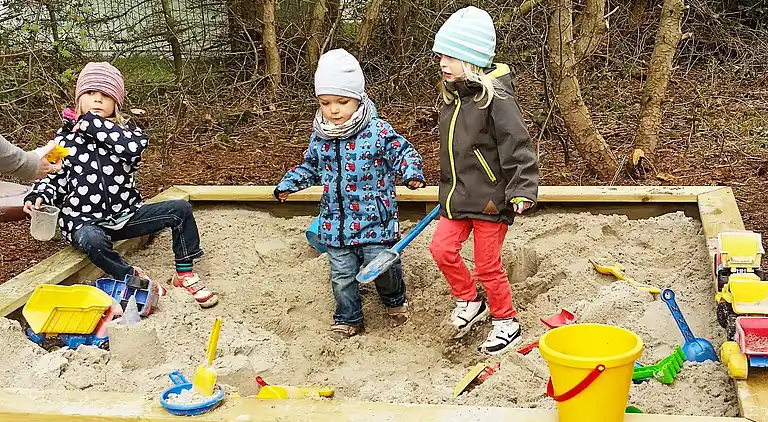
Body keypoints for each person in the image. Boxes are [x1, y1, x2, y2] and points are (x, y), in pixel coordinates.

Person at [23, 61, 218, 309]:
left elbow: (133, 149)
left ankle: (184, 273)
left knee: (180, 210)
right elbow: (52, 176)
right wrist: (38, 195)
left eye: (105, 95)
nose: (97, 100)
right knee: (92, 241)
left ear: (116, 102)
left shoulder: (126, 135)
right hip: (85, 222)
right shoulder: (64, 140)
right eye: (90, 93)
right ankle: (132, 276)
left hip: (126, 216)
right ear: (79, 99)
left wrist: (93, 124)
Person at [275, 49, 426, 339]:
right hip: (335, 224)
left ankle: (394, 301)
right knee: (342, 277)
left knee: (383, 268)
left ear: (358, 98)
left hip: (375, 222)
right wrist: (289, 184)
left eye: (342, 102)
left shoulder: (377, 131)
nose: (333, 110)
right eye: (325, 103)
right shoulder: (321, 136)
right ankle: (348, 318)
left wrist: (411, 173)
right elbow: (310, 166)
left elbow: (403, 152)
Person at [428, 6, 539, 355]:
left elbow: (517, 145)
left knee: (487, 266)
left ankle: (506, 321)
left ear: (472, 59)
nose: (443, 63)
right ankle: (469, 300)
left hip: (491, 199)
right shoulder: (453, 97)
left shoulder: (496, 99)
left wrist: (522, 188)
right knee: (441, 249)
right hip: (458, 197)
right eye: (441, 55)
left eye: (451, 56)